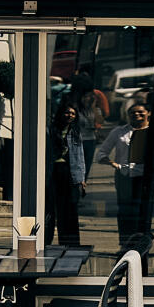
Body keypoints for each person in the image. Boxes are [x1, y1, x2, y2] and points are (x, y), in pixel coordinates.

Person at [95, 103, 154, 242]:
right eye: (133, 112)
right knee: (124, 210)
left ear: (148, 113)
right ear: (127, 115)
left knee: (143, 209)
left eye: (141, 112)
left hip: (145, 176)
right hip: (124, 175)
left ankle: (142, 241)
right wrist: (114, 165)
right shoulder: (118, 131)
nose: (137, 115)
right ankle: (125, 241)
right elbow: (101, 154)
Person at [47, 100, 87, 246]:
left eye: (73, 113)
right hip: (53, 172)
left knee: (70, 208)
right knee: (52, 208)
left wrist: (81, 178)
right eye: (67, 112)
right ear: (60, 114)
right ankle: (47, 240)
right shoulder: (50, 130)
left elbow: (80, 156)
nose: (70, 116)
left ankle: (70, 242)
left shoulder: (75, 133)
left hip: (70, 173)